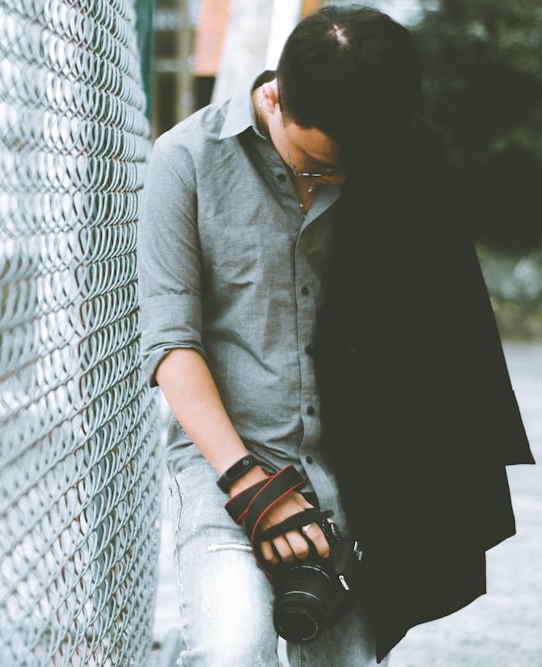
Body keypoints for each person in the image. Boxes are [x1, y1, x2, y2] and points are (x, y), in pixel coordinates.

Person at [138, 4, 533, 666]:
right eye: (317, 167)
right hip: (232, 466)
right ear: (278, 100)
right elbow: (172, 345)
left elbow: (439, 329)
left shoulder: (395, 164)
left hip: (353, 474)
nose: (329, 184)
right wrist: (250, 483)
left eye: (344, 175)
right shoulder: (184, 160)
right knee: (232, 651)